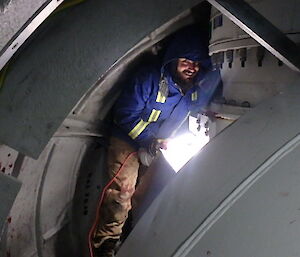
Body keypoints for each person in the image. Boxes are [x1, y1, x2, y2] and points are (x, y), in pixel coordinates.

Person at [90, 25, 221, 257]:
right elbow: (125, 113)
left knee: (148, 193)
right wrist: (147, 140)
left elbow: (209, 96)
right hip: (128, 139)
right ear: (173, 58)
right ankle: (105, 246)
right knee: (123, 193)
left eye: (197, 63)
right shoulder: (149, 77)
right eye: (187, 61)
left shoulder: (192, 90)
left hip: (159, 144)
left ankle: (133, 236)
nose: (192, 67)